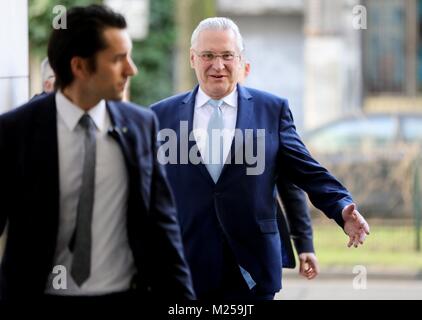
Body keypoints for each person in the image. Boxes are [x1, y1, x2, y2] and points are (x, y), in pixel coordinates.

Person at [151, 17, 369, 300]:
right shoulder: (159, 117)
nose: (218, 66)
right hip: (185, 267)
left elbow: (306, 172)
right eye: (207, 56)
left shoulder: (272, 110)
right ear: (193, 59)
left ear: (241, 60)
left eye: (227, 55)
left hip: (251, 269)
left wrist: (340, 207)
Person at [0, 4, 194, 302]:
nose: (132, 69)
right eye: (118, 59)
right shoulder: (15, 131)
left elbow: (162, 225)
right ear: (80, 67)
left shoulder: (141, 124)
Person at [239, 59, 319, 279]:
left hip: (256, 249)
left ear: (245, 69)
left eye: (229, 59)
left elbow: (291, 188)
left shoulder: (269, 116)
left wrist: (305, 244)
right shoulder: (198, 117)